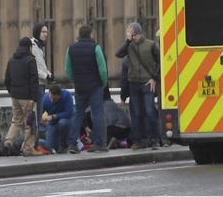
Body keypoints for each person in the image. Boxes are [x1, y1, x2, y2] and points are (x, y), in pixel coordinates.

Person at [64, 25, 109, 153]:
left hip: (79, 87)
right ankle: (98, 143)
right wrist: (103, 83)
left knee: (78, 114)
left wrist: (76, 81)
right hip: (95, 86)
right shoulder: (96, 48)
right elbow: (103, 69)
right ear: (90, 35)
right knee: (97, 114)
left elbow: (67, 70)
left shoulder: (70, 49)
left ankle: (72, 144)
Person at [115, 21, 159, 149]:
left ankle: (155, 139)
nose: (129, 36)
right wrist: (127, 41)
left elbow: (160, 62)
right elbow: (118, 53)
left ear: (136, 33)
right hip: (133, 83)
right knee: (136, 114)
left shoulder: (151, 45)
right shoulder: (129, 46)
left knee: (150, 111)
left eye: (131, 33)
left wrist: (154, 78)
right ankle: (139, 140)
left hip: (147, 83)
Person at [3, 37, 41, 156]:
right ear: (29, 47)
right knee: (30, 122)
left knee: (16, 120)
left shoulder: (11, 60)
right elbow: (34, 81)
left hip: (15, 96)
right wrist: (33, 98)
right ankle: (28, 148)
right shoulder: (30, 60)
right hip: (27, 97)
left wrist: (12, 92)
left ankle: (8, 141)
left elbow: (7, 80)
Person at [39, 84, 75, 153]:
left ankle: (63, 145)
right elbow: (39, 113)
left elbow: (70, 112)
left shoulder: (66, 95)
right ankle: (39, 142)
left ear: (59, 95)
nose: (52, 101)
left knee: (62, 123)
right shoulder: (45, 99)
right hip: (53, 124)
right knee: (49, 146)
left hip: (66, 121)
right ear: (49, 93)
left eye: (54, 99)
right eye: (50, 98)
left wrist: (54, 116)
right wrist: (41, 119)